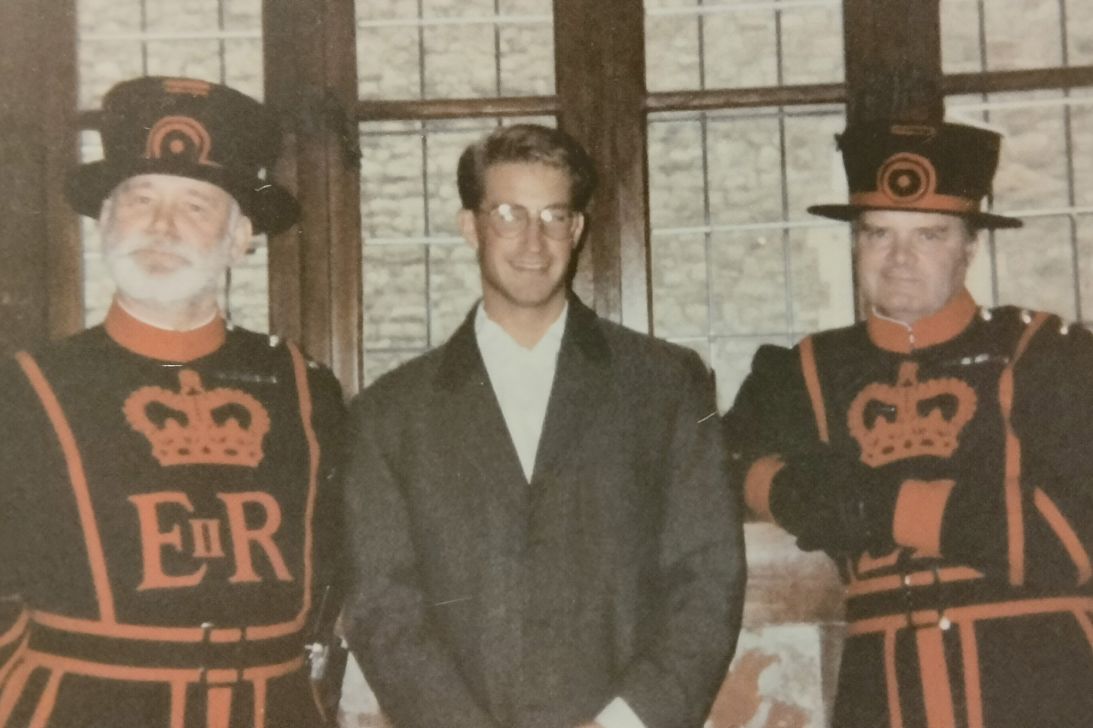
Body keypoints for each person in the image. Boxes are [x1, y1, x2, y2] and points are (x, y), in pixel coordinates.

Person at [342, 123, 745, 728]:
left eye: (554, 216)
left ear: (577, 230)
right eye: (508, 214)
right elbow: (383, 607)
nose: (533, 242)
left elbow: (707, 575)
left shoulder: (666, 385)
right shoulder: (391, 414)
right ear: (470, 227)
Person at [0, 76, 345, 728]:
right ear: (103, 221)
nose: (160, 227)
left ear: (242, 236)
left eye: (195, 205)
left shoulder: (305, 387)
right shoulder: (22, 390)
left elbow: (335, 571)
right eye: (138, 199)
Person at [724, 119, 1093, 728]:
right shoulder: (806, 370)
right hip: (886, 695)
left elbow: (1074, 534)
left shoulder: (1046, 352)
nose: (899, 259)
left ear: (970, 245)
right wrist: (781, 487)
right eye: (877, 234)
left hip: (1042, 681)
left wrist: (879, 507)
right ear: (855, 245)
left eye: (929, 234)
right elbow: (714, 463)